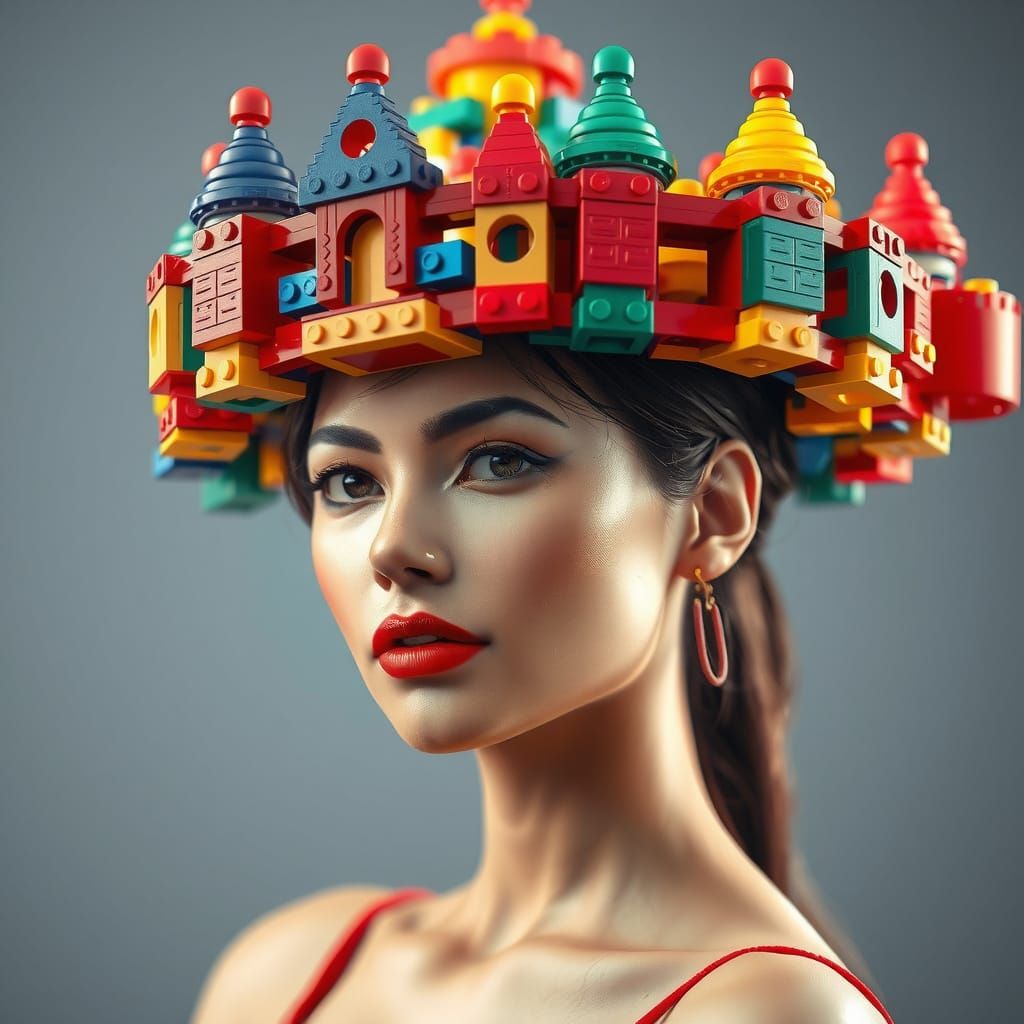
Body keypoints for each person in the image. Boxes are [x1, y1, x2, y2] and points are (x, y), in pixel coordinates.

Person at [188, 334, 896, 1022]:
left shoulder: (772, 1011)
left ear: (712, 513)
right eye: (350, 482)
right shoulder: (279, 976)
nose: (394, 546)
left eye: (498, 462)